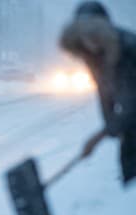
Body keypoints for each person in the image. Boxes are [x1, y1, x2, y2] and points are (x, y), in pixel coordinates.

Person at [61, 1, 136, 184]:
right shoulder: (93, 55)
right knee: (128, 163)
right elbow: (104, 93)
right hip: (131, 123)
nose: (90, 38)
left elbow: (132, 105)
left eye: (95, 31)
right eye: (85, 33)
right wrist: (109, 124)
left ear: (106, 29)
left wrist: (99, 135)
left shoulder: (128, 49)